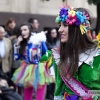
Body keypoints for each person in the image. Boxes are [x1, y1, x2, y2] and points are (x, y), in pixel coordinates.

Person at [40, 4, 100, 100]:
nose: (59, 30)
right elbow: (59, 91)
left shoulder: (97, 55)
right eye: (60, 26)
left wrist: (90, 94)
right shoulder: (58, 55)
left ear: (79, 29)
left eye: (65, 25)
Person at [11, 22, 54, 100]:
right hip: (26, 70)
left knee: (39, 97)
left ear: (30, 30)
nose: (23, 32)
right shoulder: (23, 43)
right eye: (21, 30)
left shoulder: (39, 41)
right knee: (27, 97)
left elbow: (47, 54)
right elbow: (16, 58)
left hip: (40, 69)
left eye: (25, 30)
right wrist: (17, 44)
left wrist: (38, 55)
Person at [46, 28, 60, 100]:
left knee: (55, 78)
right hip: (49, 62)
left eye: (55, 32)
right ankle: (48, 94)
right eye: (53, 33)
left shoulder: (57, 41)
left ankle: (51, 93)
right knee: (50, 77)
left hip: (56, 61)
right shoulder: (47, 41)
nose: (54, 34)